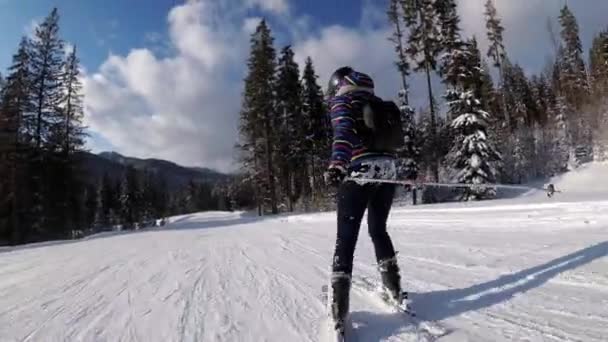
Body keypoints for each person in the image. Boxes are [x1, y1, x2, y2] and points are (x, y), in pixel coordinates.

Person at [323, 66, 406, 333]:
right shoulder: (377, 102)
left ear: (338, 85)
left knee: (346, 238)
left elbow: (344, 133)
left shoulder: (343, 101)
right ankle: (394, 287)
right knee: (378, 230)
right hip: (388, 171)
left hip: (359, 172)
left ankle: (339, 309)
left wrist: (337, 164)